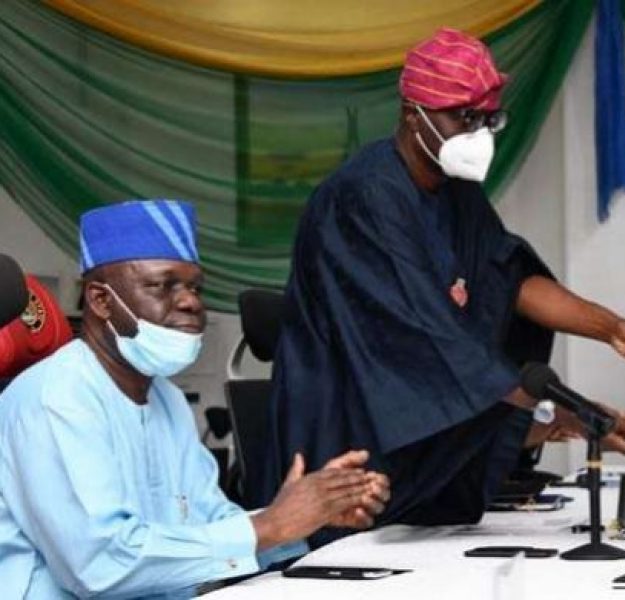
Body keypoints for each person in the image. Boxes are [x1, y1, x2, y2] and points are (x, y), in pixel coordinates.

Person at [267, 28, 625, 538]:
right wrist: (576, 415)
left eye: (487, 119)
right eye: (463, 117)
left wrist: (611, 329)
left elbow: (509, 280)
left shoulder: (455, 191)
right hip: (348, 422)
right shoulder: (365, 197)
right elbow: (427, 335)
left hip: (410, 422)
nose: (477, 133)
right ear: (412, 114)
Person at [0, 200, 390, 599]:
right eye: (162, 285)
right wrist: (271, 526)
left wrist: (305, 517)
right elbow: (101, 564)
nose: (190, 302)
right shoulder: (56, 398)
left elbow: (211, 521)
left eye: (194, 287)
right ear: (101, 301)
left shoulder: (165, 397)